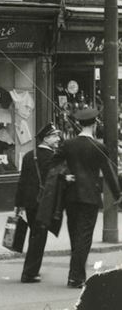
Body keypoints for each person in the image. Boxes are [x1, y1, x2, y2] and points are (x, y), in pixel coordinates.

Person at [58, 106, 122, 289]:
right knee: (84, 237)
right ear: (94, 124)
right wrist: (118, 194)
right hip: (90, 197)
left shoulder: (68, 145)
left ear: (79, 124)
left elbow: (53, 164)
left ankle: (75, 274)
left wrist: (64, 176)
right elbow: (109, 173)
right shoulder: (99, 147)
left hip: (71, 196)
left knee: (74, 235)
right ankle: (76, 277)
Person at [13, 122, 62, 283]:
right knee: (39, 237)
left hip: (29, 203)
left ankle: (31, 269)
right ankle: (29, 272)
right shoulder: (52, 158)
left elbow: (22, 182)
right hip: (44, 203)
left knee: (34, 235)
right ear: (46, 138)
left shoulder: (29, 156)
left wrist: (18, 205)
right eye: (55, 136)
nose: (58, 139)